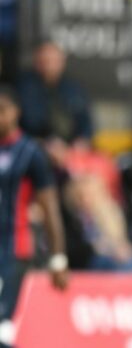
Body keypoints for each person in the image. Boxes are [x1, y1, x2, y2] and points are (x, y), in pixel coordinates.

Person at [0, 86, 68, 348]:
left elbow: (50, 209)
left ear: (15, 112)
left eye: (3, 111)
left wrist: (58, 258)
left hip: (13, 248)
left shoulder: (30, 153)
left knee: (2, 323)